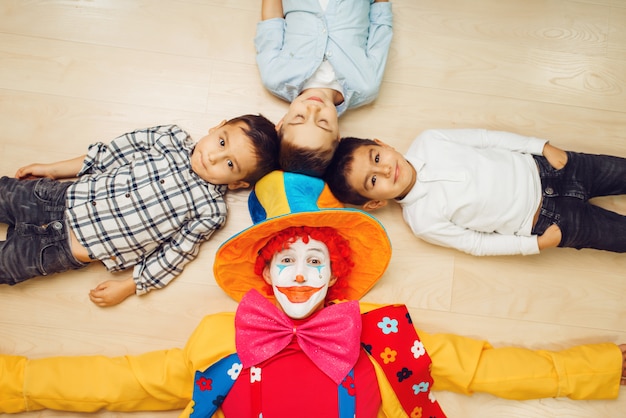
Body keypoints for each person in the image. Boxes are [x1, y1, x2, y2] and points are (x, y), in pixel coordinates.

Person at [1, 171, 624, 417]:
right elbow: (122, 382)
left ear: (335, 274)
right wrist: (15, 382)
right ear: (266, 276)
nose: (300, 273)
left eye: (315, 260)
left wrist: (601, 367)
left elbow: (486, 366)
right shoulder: (220, 341)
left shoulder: (385, 337)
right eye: (288, 261)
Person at [0, 115, 279, 306]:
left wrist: (131, 286)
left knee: (5, 265)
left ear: (238, 184)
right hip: (53, 198)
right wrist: (51, 169)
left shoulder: (210, 211)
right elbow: (106, 156)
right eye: (221, 142)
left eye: (230, 165)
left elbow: (175, 255)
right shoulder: (167, 138)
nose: (213, 157)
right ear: (217, 127)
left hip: (60, 250)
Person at [324, 129, 626, 256]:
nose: (386, 170)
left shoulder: (429, 140)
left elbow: (486, 138)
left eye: (377, 158)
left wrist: (540, 146)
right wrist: (535, 246)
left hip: (551, 167)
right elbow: (476, 244)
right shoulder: (423, 221)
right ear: (376, 202)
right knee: (618, 235)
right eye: (373, 181)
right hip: (551, 222)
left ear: (383, 144)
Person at [255, 0, 393, 176]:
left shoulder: (275, 76)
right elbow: (381, 30)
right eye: (322, 122)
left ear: (281, 123)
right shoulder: (365, 85)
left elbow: (271, 23)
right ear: (337, 135)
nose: (313, 109)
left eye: (299, 117)